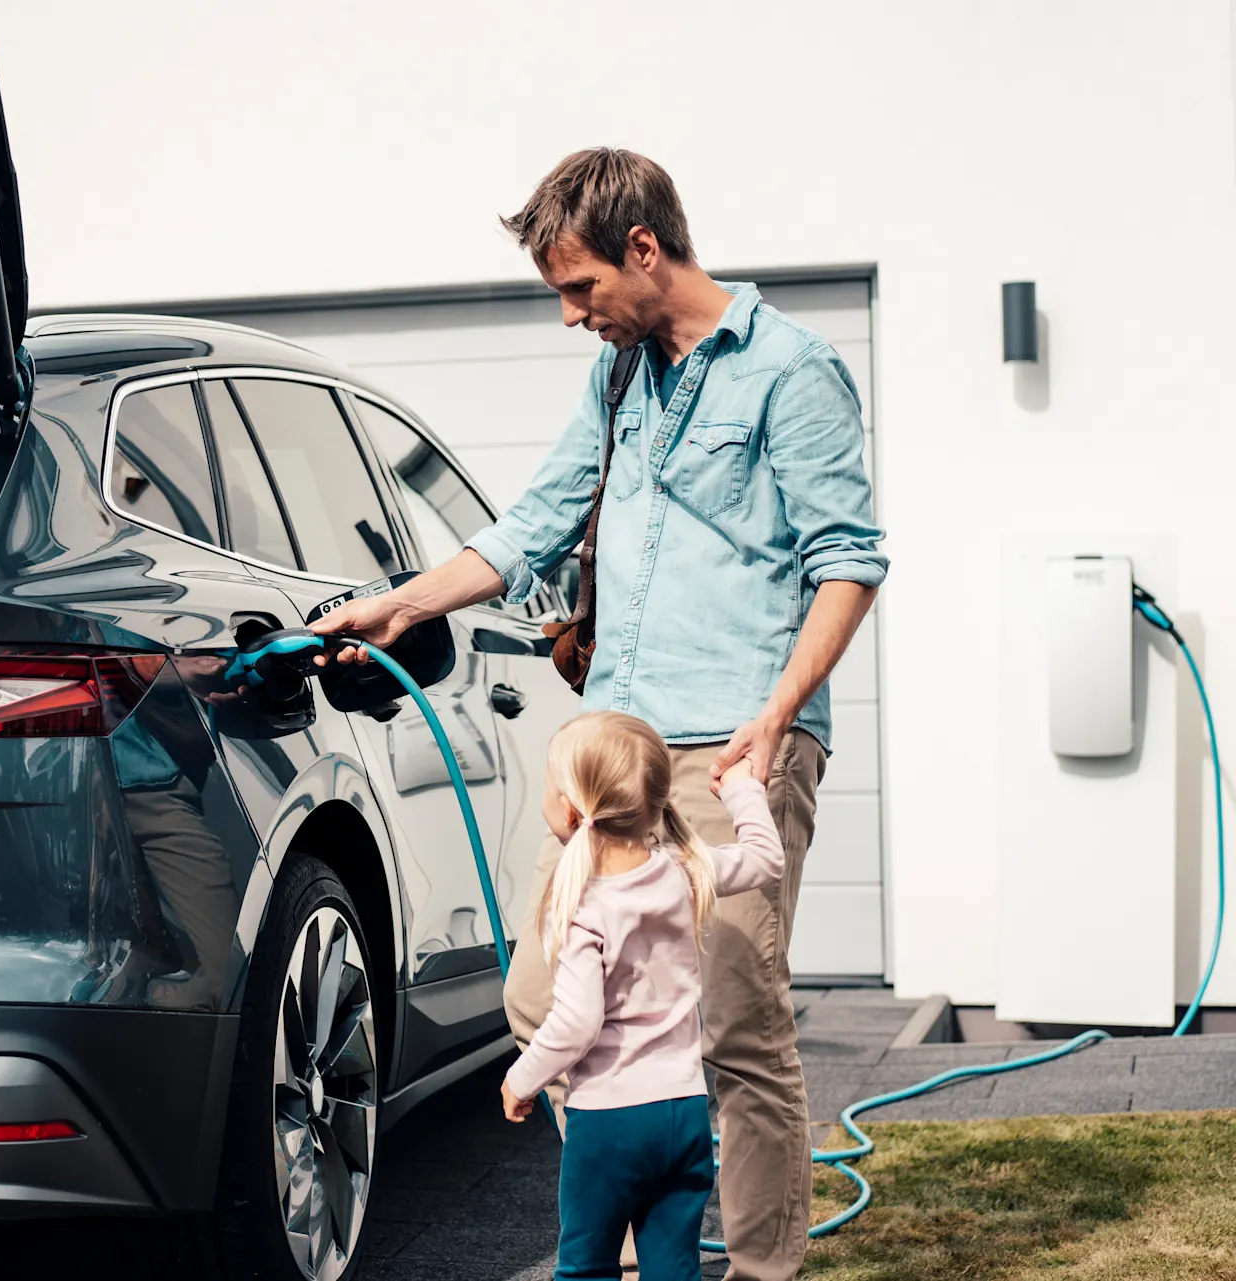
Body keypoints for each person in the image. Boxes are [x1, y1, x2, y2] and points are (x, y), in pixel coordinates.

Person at [312, 148, 887, 1279]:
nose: (572, 316)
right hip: (612, 757)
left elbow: (849, 561)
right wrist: (401, 604)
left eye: (580, 288)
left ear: (644, 248)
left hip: (729, 745)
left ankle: (764, 1268)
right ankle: (644, 1243)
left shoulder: (790, 371)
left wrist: (777, 719)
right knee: (541, 997)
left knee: (734, 1026)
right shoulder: (619, 380)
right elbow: (532, 523)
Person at [503, 712, 783, 1281]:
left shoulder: (580, 905)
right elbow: (765, 857)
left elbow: (577, 1022)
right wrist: (741, 789)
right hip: (683, 1115)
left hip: (609, 1123)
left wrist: (521, 1078)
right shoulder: (685, 871)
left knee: (586, 1267)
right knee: (673, 1269)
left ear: (572, 811)